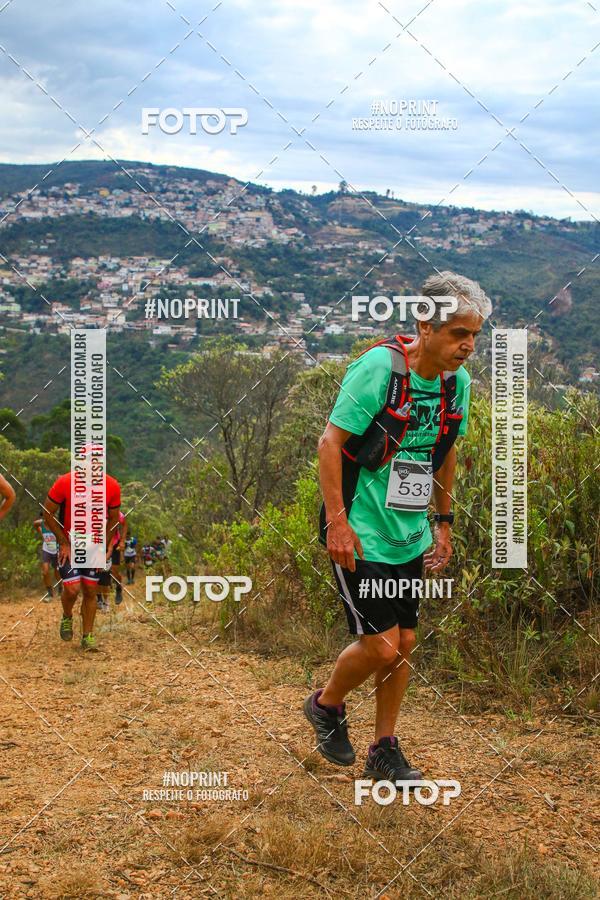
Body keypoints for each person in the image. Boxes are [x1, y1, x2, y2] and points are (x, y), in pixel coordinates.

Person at [304, 271, 492, 783]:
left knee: (405, 642)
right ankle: (326, 705)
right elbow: (328, 444)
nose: (467, 346)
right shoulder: (379, 369)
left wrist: (444, 522)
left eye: (474, 335)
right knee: (381, 645)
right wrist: (338, 524)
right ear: (424, 326)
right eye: (458, 333)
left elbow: (445, 452)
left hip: (408, 531)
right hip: (360, 528)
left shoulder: (458, 384)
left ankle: (384, 748)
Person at [43, 447, 121, 652]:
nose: (93, 464)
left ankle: (87, 637)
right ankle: (67, 615)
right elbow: (47, 513)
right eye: (88, 459)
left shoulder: (111, 486)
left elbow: (113, 519)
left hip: (94, 547)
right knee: (71, 589)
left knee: (89, 590)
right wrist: (63, 542)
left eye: (97, 460)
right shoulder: (65, 482)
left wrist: (104, 546)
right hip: (70, 545)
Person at [96, 511, 126, 610]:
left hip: (114, 543)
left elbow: (124, 525)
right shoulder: (94, 511)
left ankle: (118, 588)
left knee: (113, 571)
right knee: (97, 571)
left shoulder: (116, 513)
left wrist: (122, 541)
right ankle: (99, 598)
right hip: (98, 544)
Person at [33, 517, 60, 600]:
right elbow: (35, 523)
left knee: (57, 570)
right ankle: (49, 593)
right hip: (47, 549)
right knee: (45, 572)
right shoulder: (42, 524)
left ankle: (61, 589)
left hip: (56, 550)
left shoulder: (56, 525)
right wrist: (41, 531)